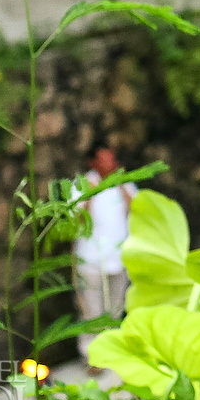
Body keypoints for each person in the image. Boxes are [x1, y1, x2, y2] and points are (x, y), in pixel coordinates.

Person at [74, 143, 138, 361]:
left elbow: (137, 210)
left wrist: (120, 185)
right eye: (104, 160)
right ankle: (91, 357)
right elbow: (77, 220)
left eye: (112, 159)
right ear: (93, 162)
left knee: (116, 310)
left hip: (119, 260)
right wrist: (92, 192)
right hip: (91, 261)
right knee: (92, 312)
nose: (109, 164)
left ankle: (112, 353)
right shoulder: (82, 184)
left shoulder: (124, 183)